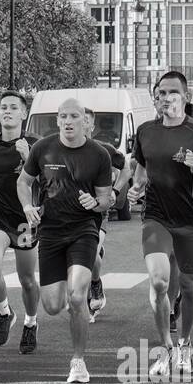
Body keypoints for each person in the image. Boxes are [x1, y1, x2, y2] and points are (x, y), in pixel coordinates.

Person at [126, 71, 193, 377]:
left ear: (185, 96)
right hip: (155, 217)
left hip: (188, 220)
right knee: (159, 281)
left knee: (188, 286)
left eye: (172, 92)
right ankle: (165, 348)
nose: (165, 97)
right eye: (160, 93)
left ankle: (185, 343)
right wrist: (136, 187)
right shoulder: (146, 131)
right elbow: (142, 170)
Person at [17, 97, 115, 383]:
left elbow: (106, 200)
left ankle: (78, 361)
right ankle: (79, 300)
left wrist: (94, 203)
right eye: (63, 116)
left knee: (76, 296)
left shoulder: (99, 155)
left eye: (74, 116)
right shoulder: (43, 149)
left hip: (84, 229)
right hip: (50, 232)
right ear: (57, 120)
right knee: (52, 305)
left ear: (84, 120)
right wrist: (27, 207)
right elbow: (23, 182)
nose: (69, 121)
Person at [0, 91, 42, 353]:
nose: (7, 111)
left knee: (26, 279)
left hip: (25, 220)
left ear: (24, 113)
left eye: (14, 107)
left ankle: (31, 322)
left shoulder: (36, 145)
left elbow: (46, 180)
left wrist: (28, 158)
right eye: (3, 107)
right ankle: (4, 313)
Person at [83, 108, 133, 324]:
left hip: (97, 212)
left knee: (90, 251)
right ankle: (83, 300)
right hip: (68, 214)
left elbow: (127, 170)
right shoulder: (59, 150)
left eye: (84, 121)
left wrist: (114, 191)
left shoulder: (105, 150)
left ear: (91, 127)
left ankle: (95, 284)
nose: (77, 123)